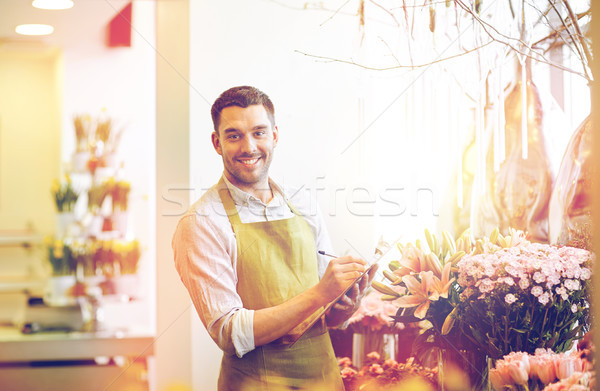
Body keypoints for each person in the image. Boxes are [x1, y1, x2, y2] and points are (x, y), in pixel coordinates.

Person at [172, 86, 377, 390]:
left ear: (275, 136)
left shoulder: (303, 203)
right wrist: (321, 293)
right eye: (234, 135)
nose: (249, 147)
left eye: (259, 132)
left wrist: (346, 302)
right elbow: (230, 333)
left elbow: (325, 315)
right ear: (217, 143)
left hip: (324, 381)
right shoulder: (201, 222)